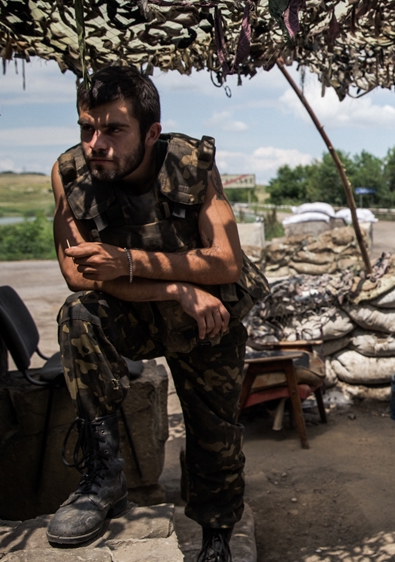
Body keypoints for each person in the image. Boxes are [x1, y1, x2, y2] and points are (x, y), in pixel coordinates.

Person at [46, 66, 268, 562]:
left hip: (207, 322)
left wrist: (126, 262)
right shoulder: (69, 174)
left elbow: (227, 261)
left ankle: (216, 538)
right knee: (79, 313)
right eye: (87, 127)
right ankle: (103, 478)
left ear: (151, 133)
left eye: (113, 129)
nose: (95, 143)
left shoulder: (191, 163)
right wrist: (175, 287)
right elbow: (80, 276)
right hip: (143, 314)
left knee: (215, 436)